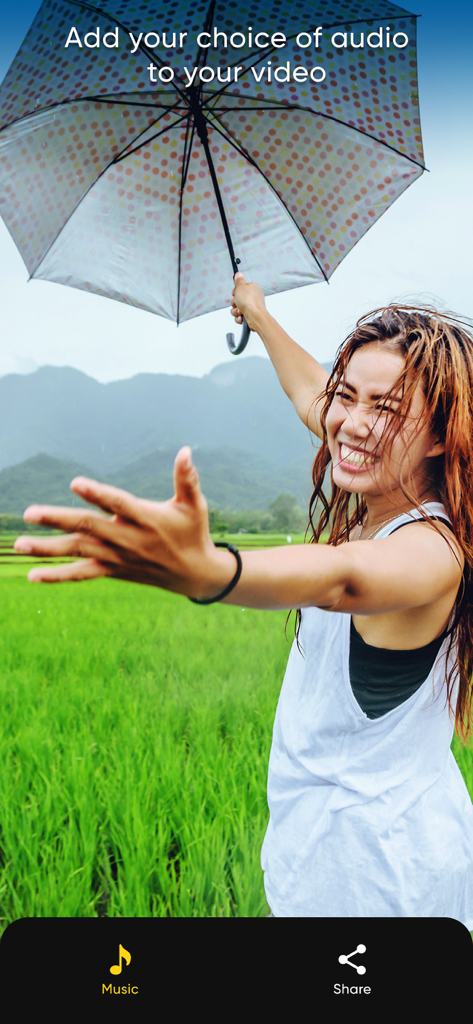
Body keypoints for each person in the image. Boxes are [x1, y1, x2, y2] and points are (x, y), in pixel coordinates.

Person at [14, 275, 473, 924]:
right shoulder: (368, 457)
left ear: (437, 435)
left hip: (380, 876)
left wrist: (211, 571)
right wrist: (258, 316)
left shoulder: (432, 548)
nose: (353, 423)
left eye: (387, 408)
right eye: (349, 398)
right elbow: (310, 391)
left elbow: (345, 576)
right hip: (326, 844)